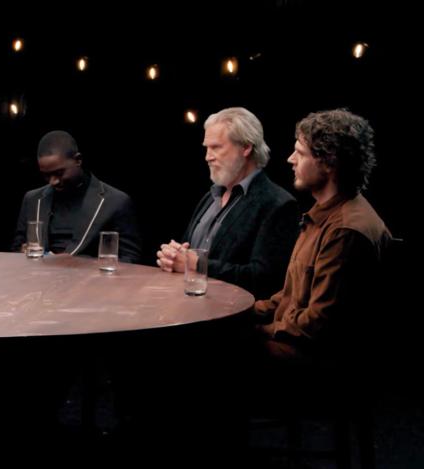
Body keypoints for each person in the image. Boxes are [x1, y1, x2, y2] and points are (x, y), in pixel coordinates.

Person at [254, 109, 390, 359]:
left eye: (300, 153)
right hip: (291, 341)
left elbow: (316, 325)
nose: (290, 159)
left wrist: (259, 330)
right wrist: (242, 313)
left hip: (315, 362)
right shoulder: (321, 214)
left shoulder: (345, 230)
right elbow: (290, 296)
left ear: (329, 162)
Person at [156, 107, 299, 299]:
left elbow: (266, 279)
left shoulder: (278, 204)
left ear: (246, 147)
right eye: (206, 148)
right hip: (188, 308)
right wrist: (174, 256)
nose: (208, 156)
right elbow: (188, 251)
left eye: (216, 147)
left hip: (232, 320)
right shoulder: (210, 196)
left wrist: (197, 265)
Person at [12, 130, 142, 261]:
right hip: (39, 278)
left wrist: (77, 264)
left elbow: (130, 260)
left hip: (91, 280)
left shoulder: (116, 202)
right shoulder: (32, 199)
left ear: (78, 160)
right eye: (46, 175)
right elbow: (16, 249)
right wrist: (23, 251)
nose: (53, 181)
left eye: (59, 173)